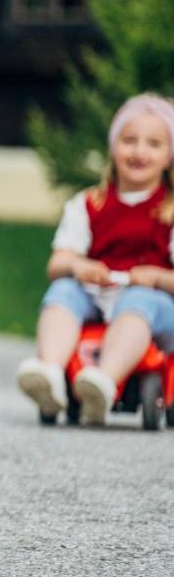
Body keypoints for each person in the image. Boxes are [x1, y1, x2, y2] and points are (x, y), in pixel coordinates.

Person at [17, 93, 174, 425]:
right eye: (129, 140)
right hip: (99, 292)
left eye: (153, 144)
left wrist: (158, 277)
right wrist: (78, 266)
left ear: (169, 156)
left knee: (138, 300)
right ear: (114, 147)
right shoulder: (90, 203)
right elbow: (57, 263)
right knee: (63, 291)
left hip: (154, 304)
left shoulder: (169, 210)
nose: (139, 151)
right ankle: (51, 372)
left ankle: (104, 379)